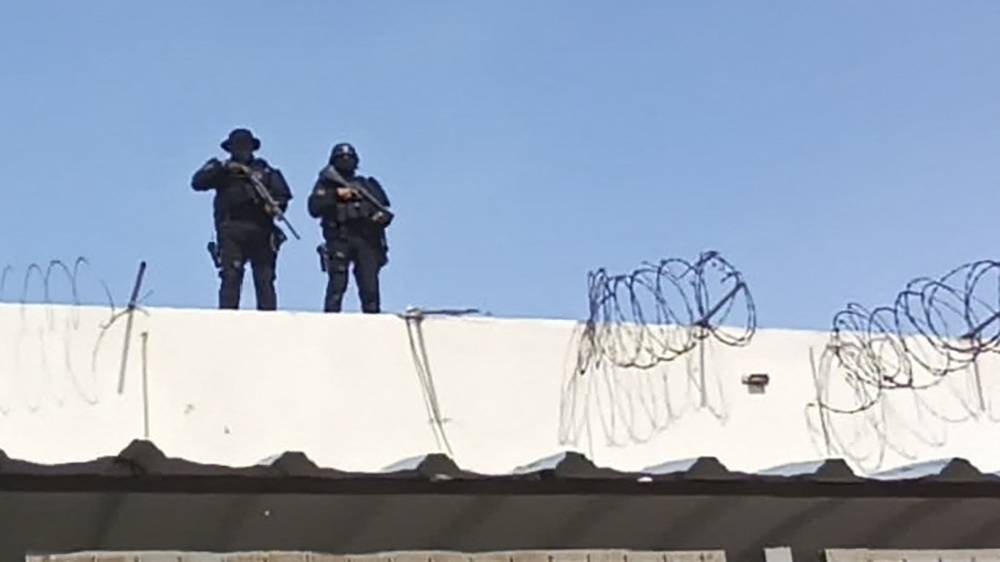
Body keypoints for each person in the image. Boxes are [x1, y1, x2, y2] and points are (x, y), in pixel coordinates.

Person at [191, 128, 293, 311]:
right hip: (231, 228)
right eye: (237, 146)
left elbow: (282, 197)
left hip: (261, 229)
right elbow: (197, 182)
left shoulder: (265, 170)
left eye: (245, 146)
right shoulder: (223, 170)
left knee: (264, 277)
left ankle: (269, 318)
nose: (241, 150)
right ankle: (228, 317)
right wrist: (221, 169)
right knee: (231, 274)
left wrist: (274, 205)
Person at [308, 142, 392, 313]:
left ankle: (373, 320)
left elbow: (384, 210)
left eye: (349, 158)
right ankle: (331, 319)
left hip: (366, 239)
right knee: (337, 285)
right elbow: (314, 208)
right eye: (342, 158)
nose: (346, 161)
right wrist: (335, 195)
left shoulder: (367, 185)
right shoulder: (326, 184)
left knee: (369, 286)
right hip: (340, 238)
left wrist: (378, 217)